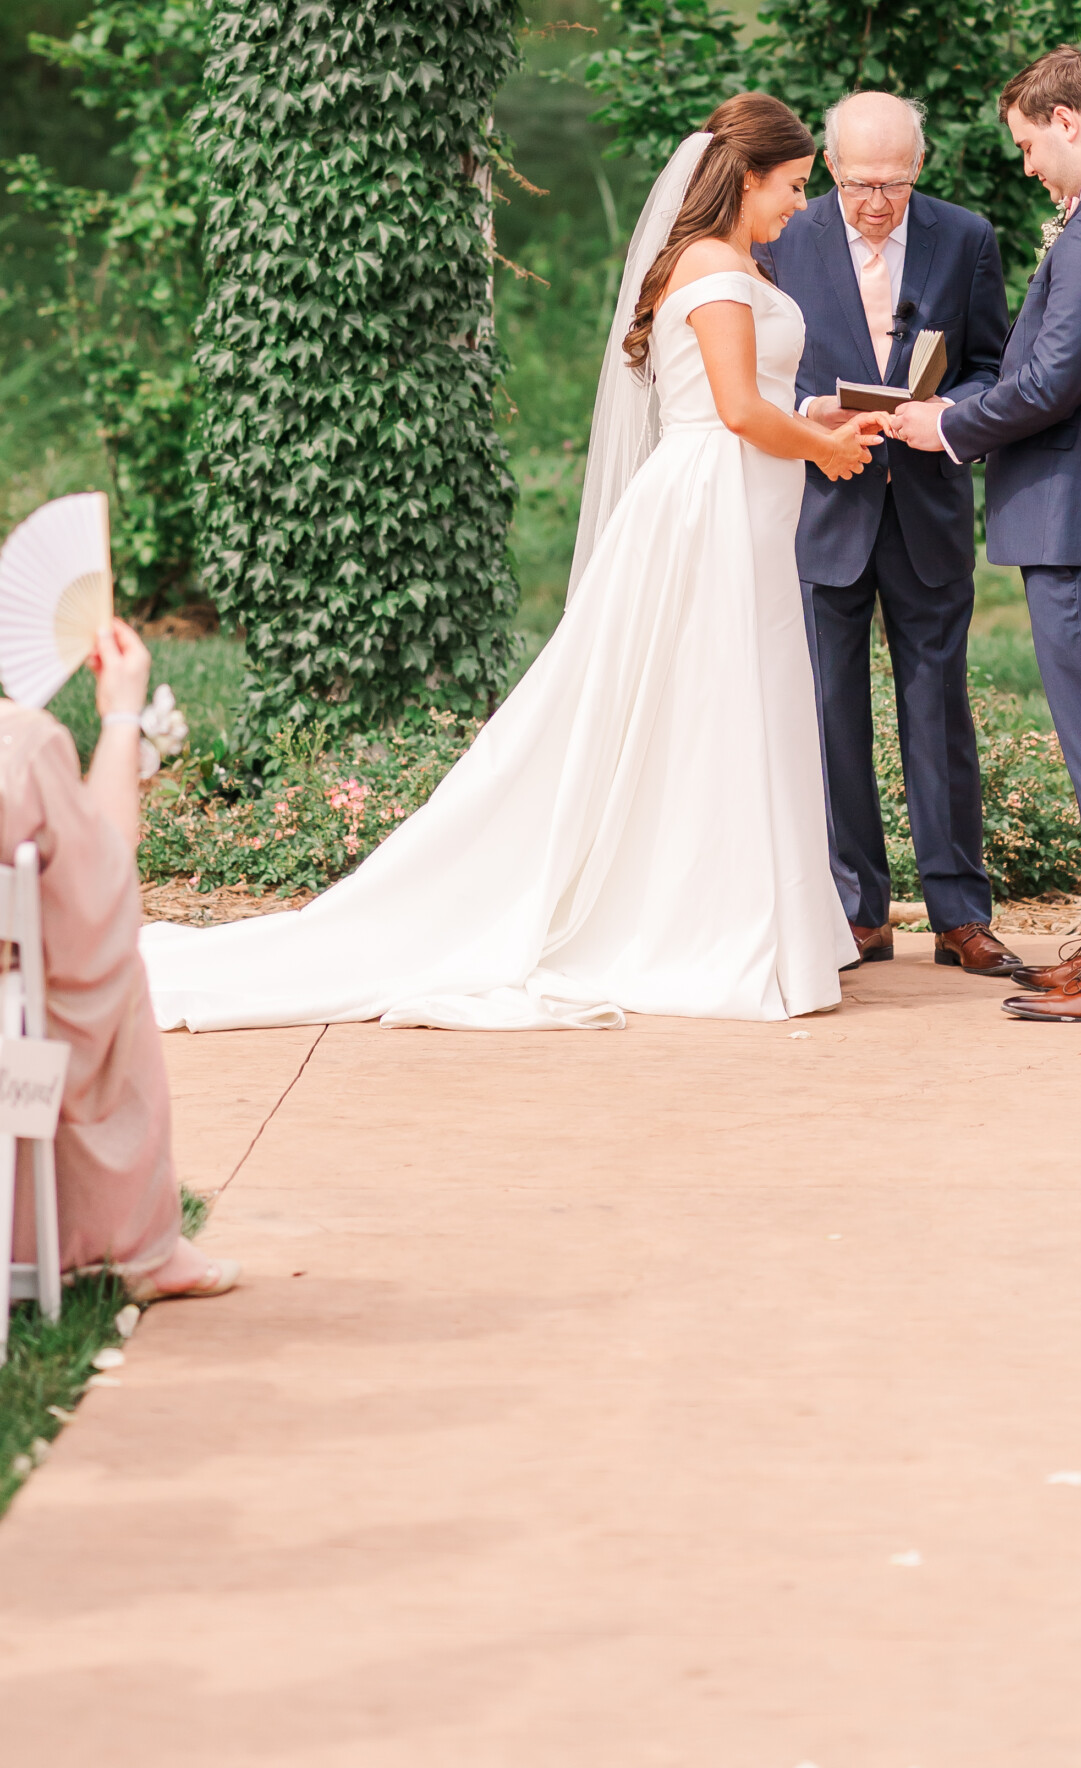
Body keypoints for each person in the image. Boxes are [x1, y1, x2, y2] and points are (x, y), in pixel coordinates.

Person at [142, 95, 882, 1032]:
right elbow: (734, 411)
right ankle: (702, 924)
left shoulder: (724, 265)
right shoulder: (715, 267)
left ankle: (740, 915)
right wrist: (820, 450)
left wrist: (816, 419)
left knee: (723, 705)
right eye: (790, 183)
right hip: (712, 510)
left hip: (734, 504)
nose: (797, 202)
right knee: (709, 703)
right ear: (744, 179)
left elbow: (752, 397)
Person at [889, 45, 1081, 1024]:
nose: (1026, 165)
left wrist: (947, 424)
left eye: (1027, 143)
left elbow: (1053, 382)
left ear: (1069, 120)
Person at [756, 89, 1019, 975]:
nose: (877, 201)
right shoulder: (782, 238)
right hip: (820, 507)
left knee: (937, 712)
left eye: (896, 184)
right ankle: (855, 911)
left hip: (926, 508)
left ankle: (958, 915)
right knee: (830, 714)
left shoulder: (966, 237)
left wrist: (950, 409)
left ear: (919, 169)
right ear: (831, 167)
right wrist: (811, 413)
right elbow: (754, 369)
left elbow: (993, 363)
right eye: (862, 182)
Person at [2, 621, 237, 1304]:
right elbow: (105, 894)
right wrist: (120, 716)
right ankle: (128, 1239)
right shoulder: (19, 746)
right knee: (100, 980)